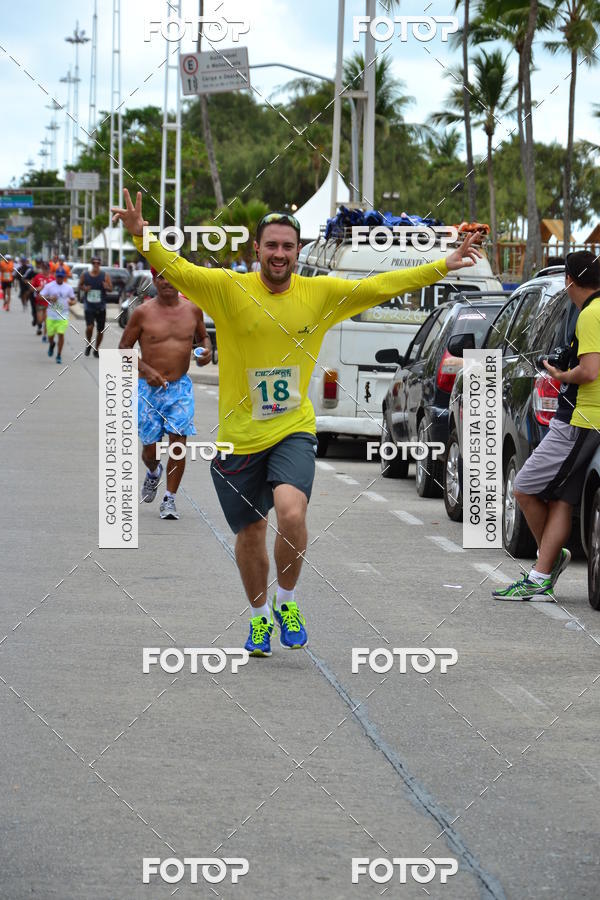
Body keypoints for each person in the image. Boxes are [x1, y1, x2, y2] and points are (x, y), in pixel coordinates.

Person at [111, 190, 481, 657]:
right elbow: (180, 268)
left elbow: (383, 285)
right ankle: (259, 615)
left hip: (292, 429)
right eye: (272, 246)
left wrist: (443, 265)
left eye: (288, 246)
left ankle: (287, 602)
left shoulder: (320, 294)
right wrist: (141, 233)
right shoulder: (228, 290)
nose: (280, 254)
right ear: (258, 251)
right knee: (250, 534)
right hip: (239, 437)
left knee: (291, 512)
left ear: (299, 251)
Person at [494, 251, 600, 601]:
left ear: (570, 280)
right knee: (562, 501)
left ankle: (546, 567)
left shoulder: (590, 314)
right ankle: (542, 572)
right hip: (587, 420)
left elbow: (589, 371)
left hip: (579, 420)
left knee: (523, 487)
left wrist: (559, 374)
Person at [118, 266, 212, 520]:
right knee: (150, 451)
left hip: (180, 388)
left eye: (172, 276)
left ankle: (169, 499)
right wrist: (146, 370)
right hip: (148, 390)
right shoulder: (142, 313)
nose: (167, 281)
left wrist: (206, 352)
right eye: (161, 276)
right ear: (154, 280)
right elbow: (124, 347)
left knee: (178, 445)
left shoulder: (193, 310)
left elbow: (204, 339)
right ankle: (152, 471)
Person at [39, 267, 76, 364]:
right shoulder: (49, 286)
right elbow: (40, 296)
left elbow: (73, 299)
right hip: (51, 314)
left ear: (64, 277)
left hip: (63, 315)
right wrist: (49, 298)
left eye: (61, 277)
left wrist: (72, 303)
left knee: (61, 334)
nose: (59, 278)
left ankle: (59, 355)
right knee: (50, 335)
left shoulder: (68, 288)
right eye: (58, 276)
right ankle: (52, 344)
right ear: (56, 276)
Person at [80, 256, 113, 357]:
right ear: (91, 264)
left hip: (101, 306)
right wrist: (84, 288)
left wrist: (107, 287)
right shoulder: (85, 275)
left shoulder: (105, 275)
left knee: (100, 330)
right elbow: (80, 286)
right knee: (90, 327)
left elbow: (111, 288)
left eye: (98, 263)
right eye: (94, 263)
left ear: (100, 264)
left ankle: (96, 349)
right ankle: (89, 343)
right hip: (89, 305)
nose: (96, 265)